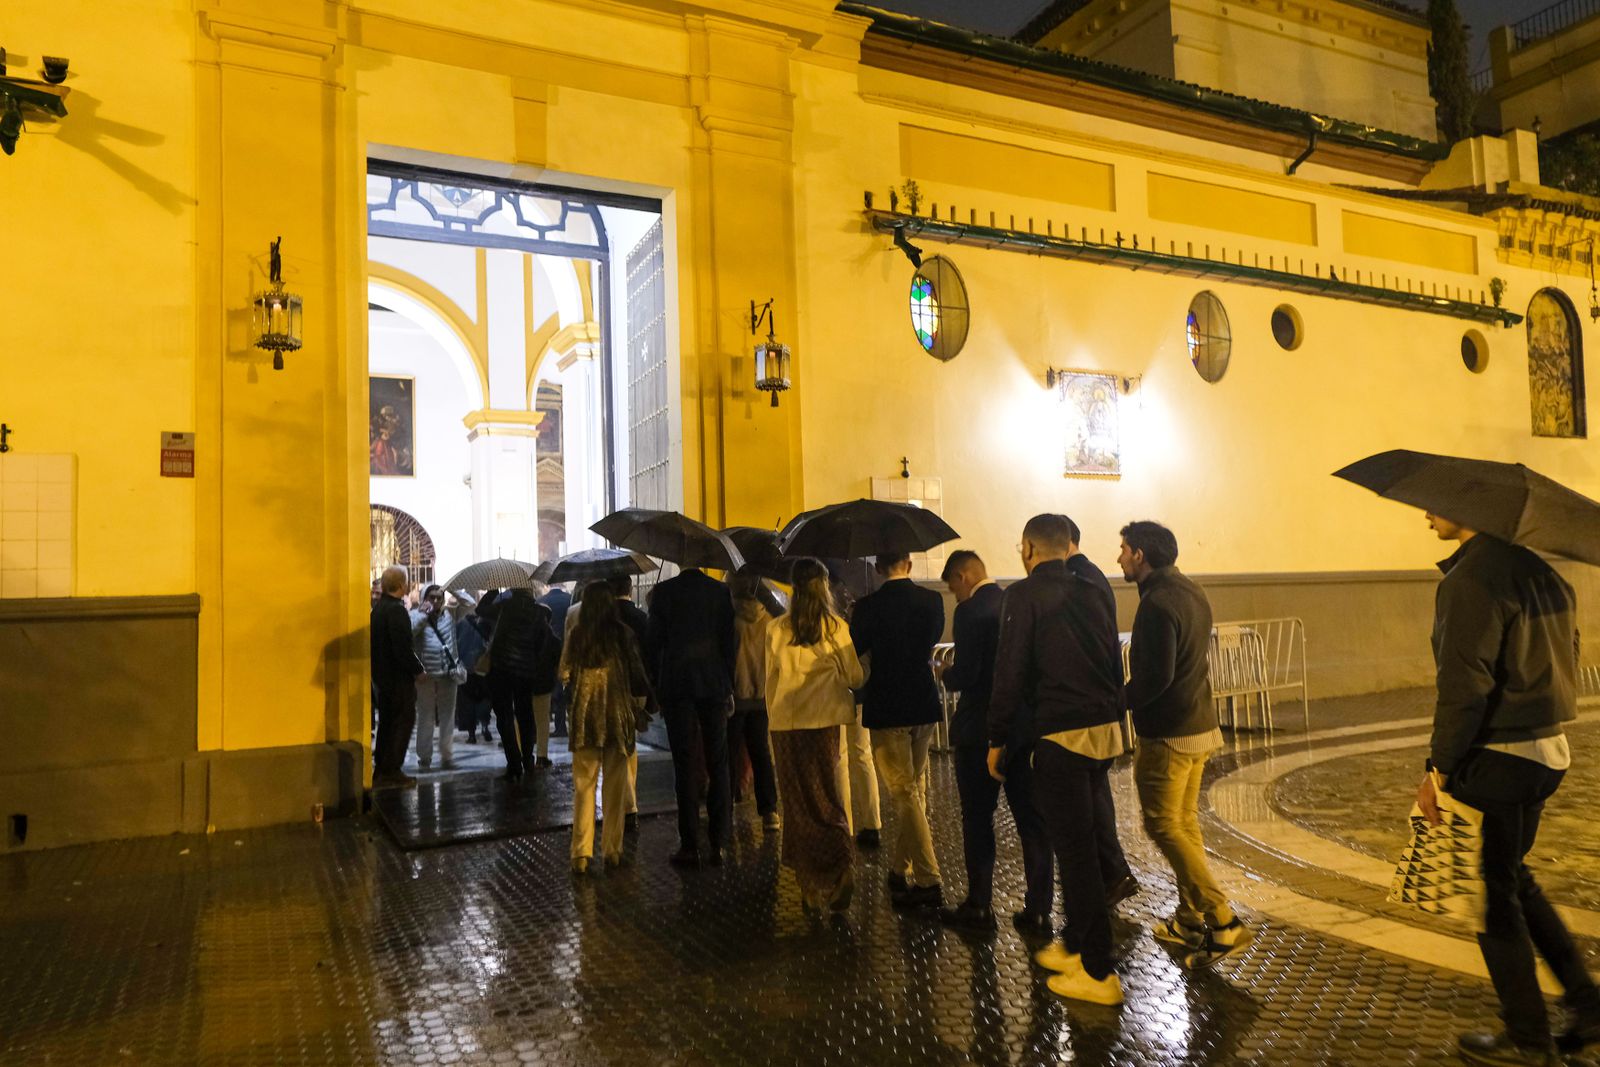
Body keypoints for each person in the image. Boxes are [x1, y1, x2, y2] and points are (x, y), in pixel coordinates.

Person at [1418, 511, 1600, 1066]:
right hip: (1546, 750)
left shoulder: (1470, 580)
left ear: (1469, 510)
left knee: (1489, 900)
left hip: (1496, 757)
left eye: (1435, 505)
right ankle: (1588, 1006)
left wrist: (1438, 769)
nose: (1426, 515)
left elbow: (1464, 684)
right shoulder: (1544, 574)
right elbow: (1569, 661)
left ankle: (1529, 1041)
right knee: (1513, 880)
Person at [990, 514, 1130, 1006]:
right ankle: (1075, 945)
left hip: (1061, 734)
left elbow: (1010, 672)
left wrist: (997, 737)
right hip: (1103, 729)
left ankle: (1097, 971)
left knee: (1075, 854)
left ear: (1029, 548)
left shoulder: (1023, 595)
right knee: (1087, 840)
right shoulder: (1093, 588)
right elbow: (1113, 659)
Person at [1119, 521, 1248, 966]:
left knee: (1163, 826)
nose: (1119, 558)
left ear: (1140, 554)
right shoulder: (1192, 590)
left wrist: (1116, 700)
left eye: (1123, 550)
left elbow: (1156, 676)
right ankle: (1189, 920)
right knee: (1185, 824)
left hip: (1169, 733)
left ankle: (1223, 918)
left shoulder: (1156, 603)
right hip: (1200, 724)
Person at [936, 550, 1053, 937]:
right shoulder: (1014, 602)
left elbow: (970, 675)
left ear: (965, 575)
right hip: (1021, 731)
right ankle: (1038, 910)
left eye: (953, 585)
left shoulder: (970, 613)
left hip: (978, 730)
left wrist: (945, 673)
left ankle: (980, 905)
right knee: (1032, 822)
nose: (955, 594)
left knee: (977, 819)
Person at [765, 557, 865, 912]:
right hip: (825, 723)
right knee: (827, 796)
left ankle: (808, 884)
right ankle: (842, 867)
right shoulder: (836, 627)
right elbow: (854, 678)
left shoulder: (776, 629)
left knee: (797, 804)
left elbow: (770, 681)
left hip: (787, 725)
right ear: (824, 587)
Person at [850, 551, 945, 908]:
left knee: (905, 793)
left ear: (876, 568)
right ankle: (898, 867)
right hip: (923, 701)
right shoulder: (932, 601)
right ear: (909, 562)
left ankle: (928, 880)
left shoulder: (867, 608)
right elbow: (931, 641)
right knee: (913, 790)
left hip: (887, 706)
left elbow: (857, 651)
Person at [647, 561, 737, 866]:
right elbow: (729, 643)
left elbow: (653, 642)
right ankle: (720, 842)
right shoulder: (720, 592)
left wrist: (656, 682)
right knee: (719, 763)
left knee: (684, 765)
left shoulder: (663, 593)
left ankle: (690, 845)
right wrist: (729, 683)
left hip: (677, 685)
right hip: (714, 684)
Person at [562, 581, 653, 874]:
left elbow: (563, 671)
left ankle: (581, 852)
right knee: (615, 786)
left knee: (583, 785)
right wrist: (642, 706)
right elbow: (638, 676)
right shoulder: (624, 634)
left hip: (584, 718)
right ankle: (612, 849)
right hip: (617, 716)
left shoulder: (577, 635)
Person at [828, 562, 883, 848]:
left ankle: (845, 824)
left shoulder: (830, 616)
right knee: (862, 755)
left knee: (841, 756)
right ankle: (872, 823)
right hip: (860, 687)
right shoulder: (865, 602)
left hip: (838, 689)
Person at [480, 587, 560, 782]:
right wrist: (531, 660)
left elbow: (480, 610)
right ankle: (528, 760)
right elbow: (542, 642)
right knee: (526, 717)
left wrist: (493, 592)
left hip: (502, 670)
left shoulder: (503, 606)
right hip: (526, 672)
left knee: (505, 718)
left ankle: (514, 764)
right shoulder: (539, 612)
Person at [729, 568, 781, 832]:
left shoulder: (729, 617)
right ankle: (770, 811)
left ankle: (725, 807)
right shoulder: (769, 619)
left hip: (735, 696)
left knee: (729, 752)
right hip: (761, 696)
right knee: (761, 752)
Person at [370, 565, 423, 788]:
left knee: (387, 724)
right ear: (402, 585)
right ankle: (392, 770)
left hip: (382, 677)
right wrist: (417, 669)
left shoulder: (379, 609)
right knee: (402, 722)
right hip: (399, 679)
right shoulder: (397, 611)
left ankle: (382, 769)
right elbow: (402, 647)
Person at [410, 584, 467, 770]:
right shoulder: (416, 616)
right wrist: (422, 613)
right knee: (425, 716)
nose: (435, 601)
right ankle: (424, 755)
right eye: (431, 597)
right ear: (424, 598)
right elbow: (409, 632)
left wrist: (452, 589)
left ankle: (446, 753)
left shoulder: (449, 616)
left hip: (448, 674)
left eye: (439, 598)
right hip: (426, 675)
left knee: (447, 715)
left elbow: (469, 603)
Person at [454, 605, 494, 744]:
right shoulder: (486, 623)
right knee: (485, 697)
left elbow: (456, 644)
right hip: (482, 666)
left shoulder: (460, 624)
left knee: (468, 700)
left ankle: (471, 733)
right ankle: (484, 725)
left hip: (466, 667)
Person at [541, 581, 574, 736]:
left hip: (547, 651)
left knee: (548, 688)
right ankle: (562, 726)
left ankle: (546, 723)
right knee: (564, 687)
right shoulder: (570, 599)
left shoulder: (542, 601)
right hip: (568, 648)